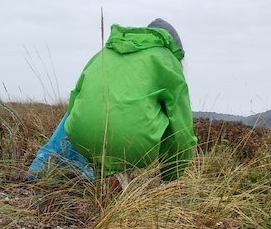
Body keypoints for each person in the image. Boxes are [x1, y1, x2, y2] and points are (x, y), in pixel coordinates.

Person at [26, 19, 196, 183]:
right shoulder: (167, 60)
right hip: (131, 147)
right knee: (162, 118)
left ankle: (45, 166)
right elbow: (181, 131)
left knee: (82, 112)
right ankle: (110, 179)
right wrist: (171, 177)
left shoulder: (105, 52)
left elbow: (76, 99)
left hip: (81, 137)